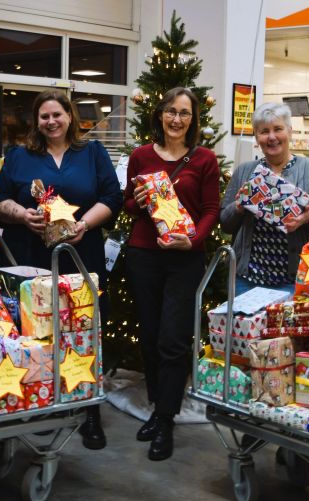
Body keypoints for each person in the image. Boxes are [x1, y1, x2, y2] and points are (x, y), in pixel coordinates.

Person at [0, 90, 122, 451]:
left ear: (70, 116)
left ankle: (88, 407)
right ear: (37, 121)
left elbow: (113, 197)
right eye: (44, 116)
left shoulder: (92, 153)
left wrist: (84, 224)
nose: (51, 122)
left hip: (81, 258)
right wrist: (23, 214)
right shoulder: (19, 156)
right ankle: (32, 401)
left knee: (83, 327)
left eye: (57, 115)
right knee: (30, 329)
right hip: (28, 256)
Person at [124, 87, 220, 461]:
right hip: (144, 254)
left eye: (184, 113)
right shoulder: (141, 156)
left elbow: (212, 209)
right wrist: (143, 199)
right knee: (148, 335)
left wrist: (192, 238)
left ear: (193, 120)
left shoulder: (204, 159)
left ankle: (166, 419)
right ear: (160, 115)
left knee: (173, 339)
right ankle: (157, 406)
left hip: (185, 258)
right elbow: (128, 203)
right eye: (171, 112)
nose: (177, 119)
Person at [220, 103, 309, 296]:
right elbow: (225, 222)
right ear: (257, 138)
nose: (272, 137)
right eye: (264, 131)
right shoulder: (244, 171)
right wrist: (239, 206)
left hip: (296, 281)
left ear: (289, 132)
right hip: (247, 280)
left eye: (278, 129)